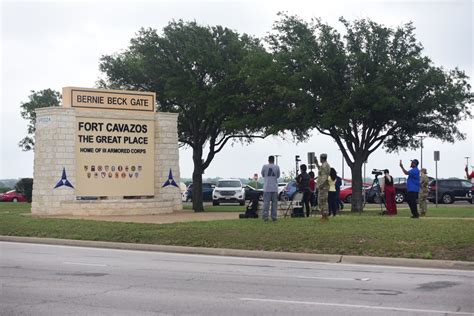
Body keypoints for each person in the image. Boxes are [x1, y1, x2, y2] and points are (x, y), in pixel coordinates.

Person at [261, 155, 280, 222]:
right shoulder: (277, 167)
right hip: (274, 188)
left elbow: (263, 175)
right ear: (274, 160)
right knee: (274, 204)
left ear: (268, 160)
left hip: (267, 188)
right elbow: (278, 176)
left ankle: (265, 217)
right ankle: (274, 217)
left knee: (266, 203)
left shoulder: (264, 166)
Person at [315, 153, 331, 221]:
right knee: (321, 201)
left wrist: (320, 185)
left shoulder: (325, 165)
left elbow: (324, 177)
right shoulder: (324, 165)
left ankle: (325, 215)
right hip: (323, 186)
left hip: (323, 187)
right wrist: (316, 163)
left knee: (323, 201)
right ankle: (323, 215)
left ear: (321, 158)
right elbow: (320, 170)